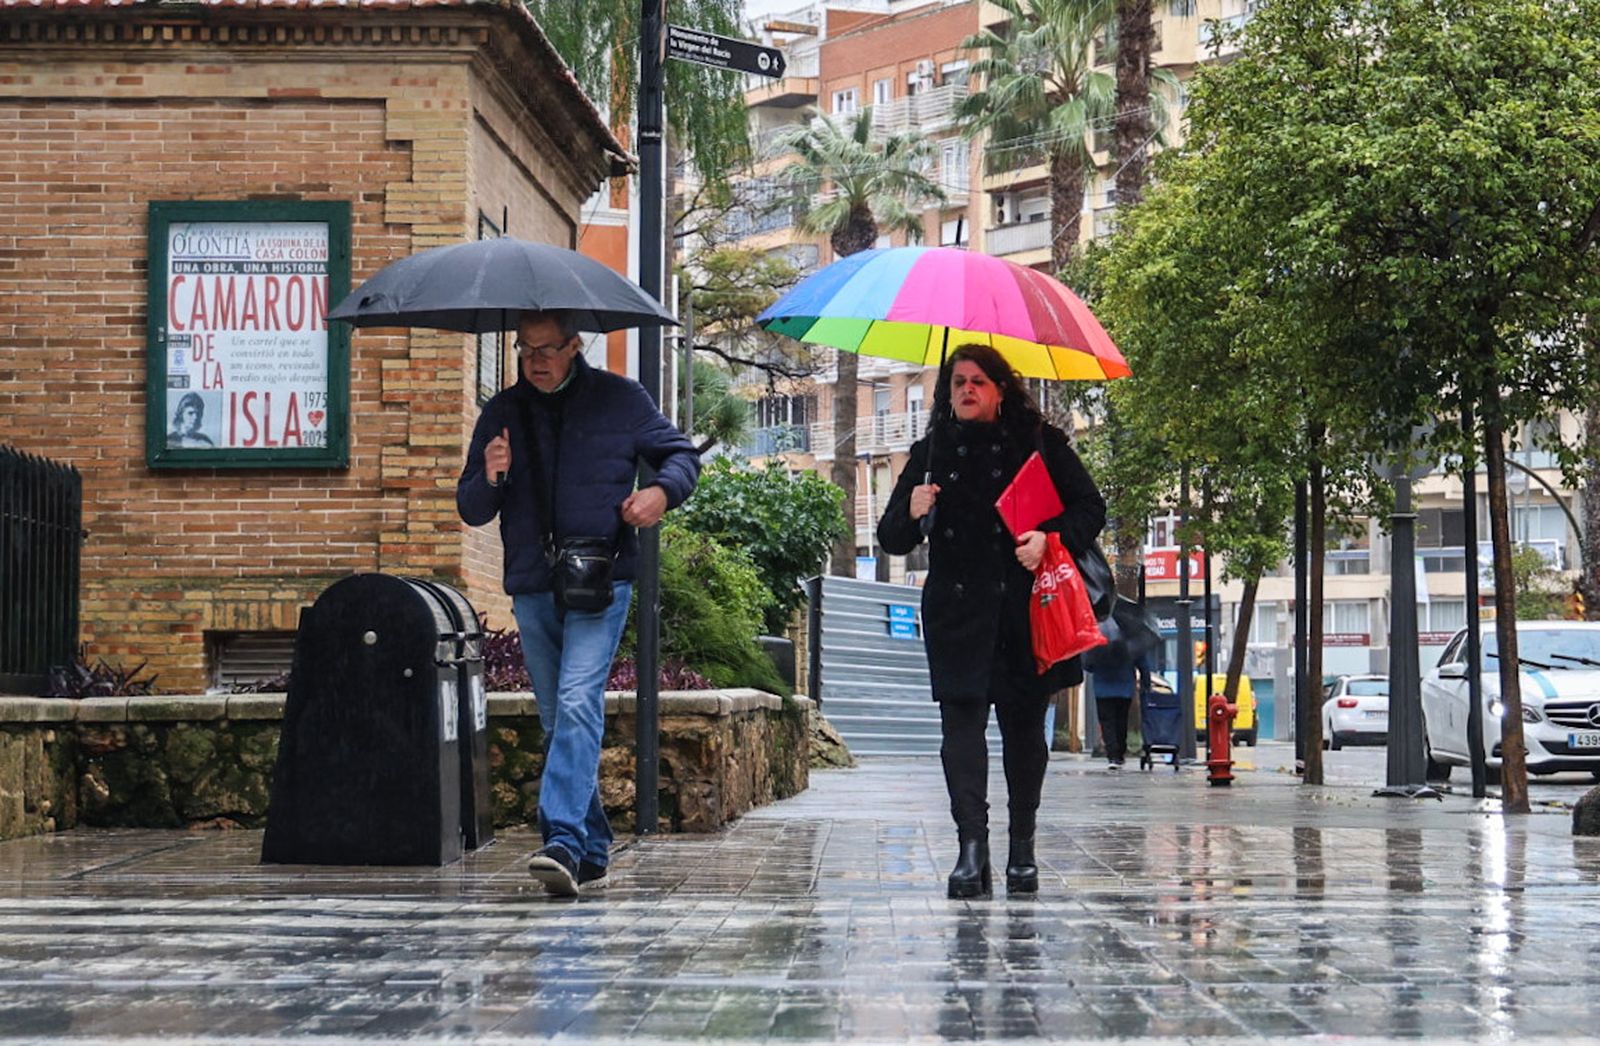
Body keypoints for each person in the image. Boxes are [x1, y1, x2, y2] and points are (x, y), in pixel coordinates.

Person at [457, 309, 699, 897]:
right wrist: (490, 475)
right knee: (555, 716)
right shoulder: (503, 413)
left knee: (575, 700)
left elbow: (682, 456)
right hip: (534, 582)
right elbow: (471, 508)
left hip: (602, 578)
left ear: (574, 346)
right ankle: (592, 847)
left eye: (546, 349)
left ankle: (562, 837)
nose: (534, 360)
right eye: (524, 350)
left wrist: (659, 496)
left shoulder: (621, 399)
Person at [878, 343, 1105, 898]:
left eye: (978, 381)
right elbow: (890, 538)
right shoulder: (930, 452)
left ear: (1000, 389)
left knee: (1024, 733)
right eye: (958, 382)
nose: (967, 390)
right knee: (960, 732)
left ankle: (1022, 849)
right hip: (956, 612)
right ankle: (970, 850)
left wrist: (1049, 540)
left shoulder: (1039, 443)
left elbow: (1090, 508)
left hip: (1025, 609)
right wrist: (910, 510)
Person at [1084, 624, 1155, 771]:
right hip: (1124, 689)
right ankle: (1120, 753)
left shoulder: (1098, 639)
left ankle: (1112, 755)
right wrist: (1145, 684)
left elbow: (1087, 664)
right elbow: (1143, 664)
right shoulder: (1130, 640)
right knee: (1121, 721)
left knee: (1107, 722)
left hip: (1102, 689)